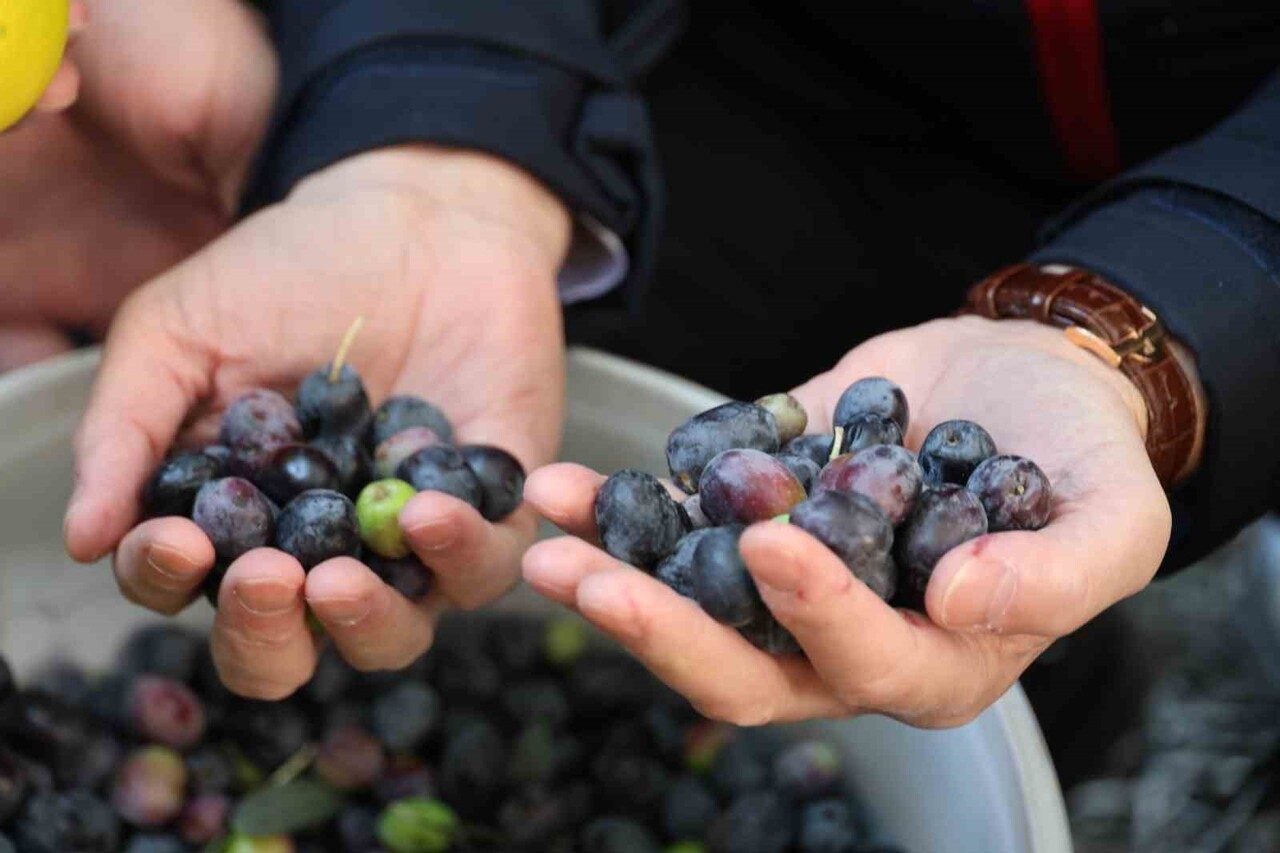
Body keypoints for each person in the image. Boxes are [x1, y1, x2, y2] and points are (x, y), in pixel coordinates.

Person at [3, 1, 1272, 729]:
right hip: (702, 61)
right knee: (792, 552)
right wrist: (431, 131)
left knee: (1011, 629)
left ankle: (1080, 708)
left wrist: (1183, 310)